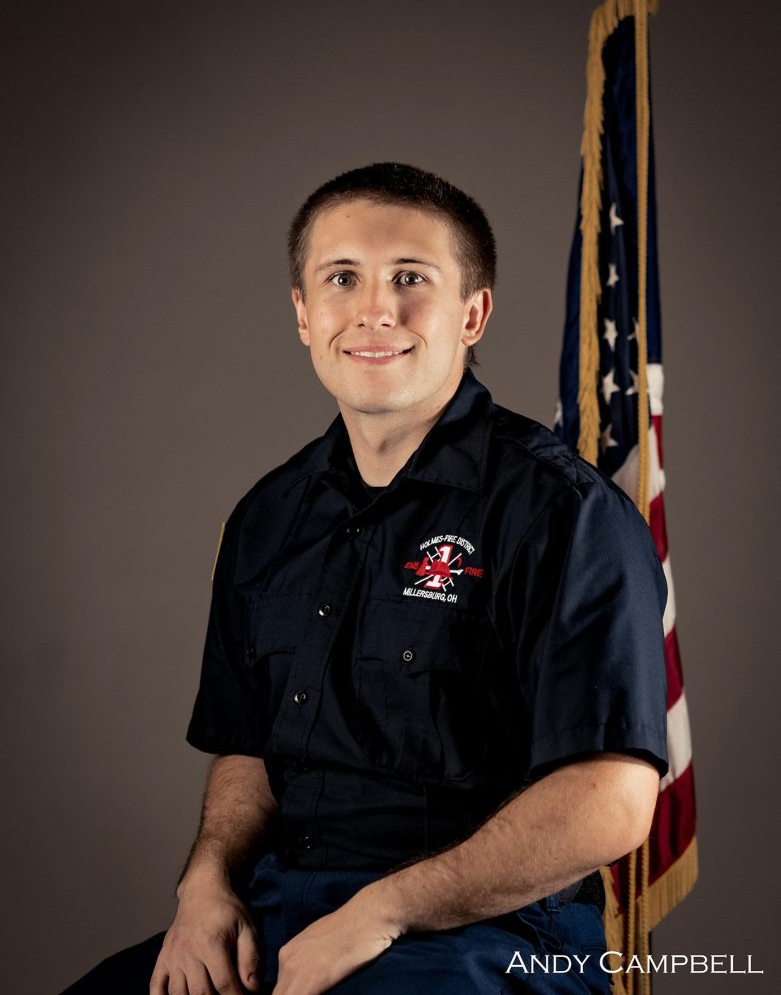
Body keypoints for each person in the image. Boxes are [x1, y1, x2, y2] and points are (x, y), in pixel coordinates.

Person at [60, 162, 668, 995]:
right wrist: (202, 887)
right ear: (304, 316)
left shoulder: (562, 513)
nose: (374, 308)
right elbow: (247, 748)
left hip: (494, 934)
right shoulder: (266, 517)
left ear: (473, 312)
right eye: (341, 278)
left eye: (410, 278)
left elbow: (611, 801)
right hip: (280, 913)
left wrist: (381, 912)